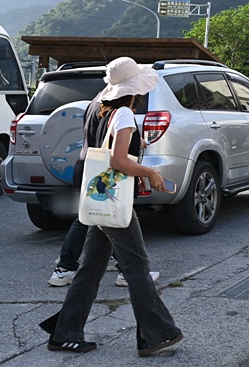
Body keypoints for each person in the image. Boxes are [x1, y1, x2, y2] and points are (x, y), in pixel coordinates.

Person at [39, 57, 182, 356]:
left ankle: (65, 332)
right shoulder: (125, 114)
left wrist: (134, 146)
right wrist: (151, 172)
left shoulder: (95, 105)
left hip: (98, 197)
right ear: (134, 89)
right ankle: (156, 335)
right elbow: (117, 161)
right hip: (115, 201)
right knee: (137, 267)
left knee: (90, 269)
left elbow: (101, 147)